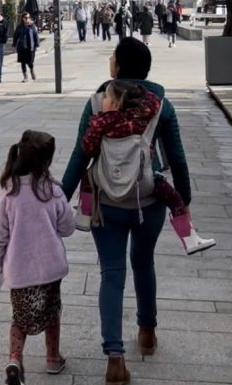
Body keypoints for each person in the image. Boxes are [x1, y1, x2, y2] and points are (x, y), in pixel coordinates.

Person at [61, 37, 191, 385]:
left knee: (112, 274)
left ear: (117, 65)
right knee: (144, 262)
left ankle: (114, 359)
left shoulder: (97, 101)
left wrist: (59, 198)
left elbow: (79, 156)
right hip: (148, 198)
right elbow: (176, 155)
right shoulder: (161, 104)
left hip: (107, 203)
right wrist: (185, 196)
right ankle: (147, 332)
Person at [0, 130, 75, 385]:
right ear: (46, 161)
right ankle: (52, 358)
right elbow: (67, 227)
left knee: (20, 319)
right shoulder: (53, 190)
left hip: (20, 272)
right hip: (50, 270)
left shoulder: (8, 193)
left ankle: (15, 360)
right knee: (52, 312)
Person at [82, 81, 215, 255]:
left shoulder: (99, 124)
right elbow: (155, 147)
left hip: (105, 182)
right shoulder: (140, 121)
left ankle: (84, 214)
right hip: (142, 182)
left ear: (116, 103)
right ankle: (190, 238)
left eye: (106, 96)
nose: (102, 99)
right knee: (174, 199)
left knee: (88, 175)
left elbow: (87, 149)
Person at [12, 11, 39, 81]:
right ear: (22, 19)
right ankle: (25, 76)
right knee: (23, 62)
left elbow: (36, 36)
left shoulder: (33, 26)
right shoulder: (20, 27)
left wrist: (37, 45)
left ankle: (32, 70)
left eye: (29, 17)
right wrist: (14, 44)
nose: (27, 19)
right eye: (26, 18)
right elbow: (15, 36)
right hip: (22, 47)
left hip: (31, 48)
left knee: (30, 62)